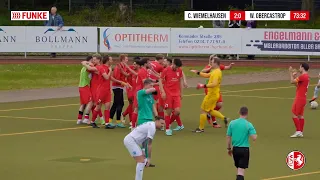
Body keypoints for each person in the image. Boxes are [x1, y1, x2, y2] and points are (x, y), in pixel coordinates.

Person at [190, 58, 229, 133]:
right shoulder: (216, 71)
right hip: (215, 94)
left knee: (203, 110)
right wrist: (198, 72)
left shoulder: (216, 73)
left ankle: (201, 128)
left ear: (216, 63)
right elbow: (207, 75)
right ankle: (224, 118)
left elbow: (214, 84)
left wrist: (202, 85)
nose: (211, 63)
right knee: (210, 110)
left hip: (211, 95)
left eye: (212, 62)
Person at [201, 55, 235, 128]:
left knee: (219, 104)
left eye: (213, 60)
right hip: (209, 89)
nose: (211, 61)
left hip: (215, 89)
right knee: (209, 108)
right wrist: (209, 68)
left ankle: (210, 115)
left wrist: (230, 66)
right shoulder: (209, 67)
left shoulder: (217, 67)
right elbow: (202, 72)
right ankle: (214, 122)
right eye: (211, 59)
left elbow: (226, 67)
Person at [226, 106, 257, 180]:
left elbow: (228, 137)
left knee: (238, 169)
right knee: (241, 171)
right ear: (247, 114)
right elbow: (254, 138)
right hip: (244, 150)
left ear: (239, 112)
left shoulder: (232, 123)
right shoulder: (248, 124)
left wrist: (229, 149)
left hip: (235, 149)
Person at [159, 58, 185, 136]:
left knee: (177, 111)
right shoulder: (166, 70)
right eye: (176, 66)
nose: (176, 68)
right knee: (168, 111)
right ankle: (167, 129)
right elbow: (160, 80)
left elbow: (180, 81)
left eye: (178, 67)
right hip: (168, 94)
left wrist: (181, 92)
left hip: (176, 94)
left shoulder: (179, 71)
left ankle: (168, 123)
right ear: (172, 63)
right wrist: (163, 92)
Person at [289, 63, 310, 138]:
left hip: (299, 98)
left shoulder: (303, 76)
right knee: (300, 115)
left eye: (300, 67)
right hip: (303, 98)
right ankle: (300, 132)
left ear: (303, 68)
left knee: (294, 114)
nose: (299, 68)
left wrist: (291, 73)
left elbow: (291, 81)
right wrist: (295, 76)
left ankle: (298, 131)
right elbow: (298, 85)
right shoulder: (306, 76)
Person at [109, 54, 129, 128]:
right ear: (123, 60)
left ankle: (117, 121)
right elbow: (116, 78)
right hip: (117, 87)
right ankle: (111, 120)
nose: (127, 60)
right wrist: (123, 82)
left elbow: (126, 74)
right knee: (117, 103)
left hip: (120, 87)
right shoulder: (118, 67)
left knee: (120, 103)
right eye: (126, 59)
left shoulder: (123, 67)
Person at [131, 58, 151, 129]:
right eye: (149, 63)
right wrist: (154, 85)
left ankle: (138, 125)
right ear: (145, 64)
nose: (150, 64)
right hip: (140, 92)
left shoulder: (144, 71)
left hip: (142, 91)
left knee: (140, 108)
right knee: (137, 108)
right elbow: (144, 82)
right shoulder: (142, 71)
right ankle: (133, 126)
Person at [121, 57, 140, 126]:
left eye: (135, 64)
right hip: (130, 89)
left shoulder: (140, 71)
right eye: (133, 64)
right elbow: (126, 75)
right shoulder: (131, 68)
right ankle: (132, 121)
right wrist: (127, 83)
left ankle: (125, 115)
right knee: (132, 103)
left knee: (133, 105)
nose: (133, 65)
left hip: (136, 89)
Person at [77, 55, 93, 125]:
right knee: (90, 101)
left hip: (81, 86)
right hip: (85, 86)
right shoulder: (87, 66)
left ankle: (79, 119)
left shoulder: (83, 67)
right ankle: (86, 118)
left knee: (83, 103)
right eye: (93, 60)